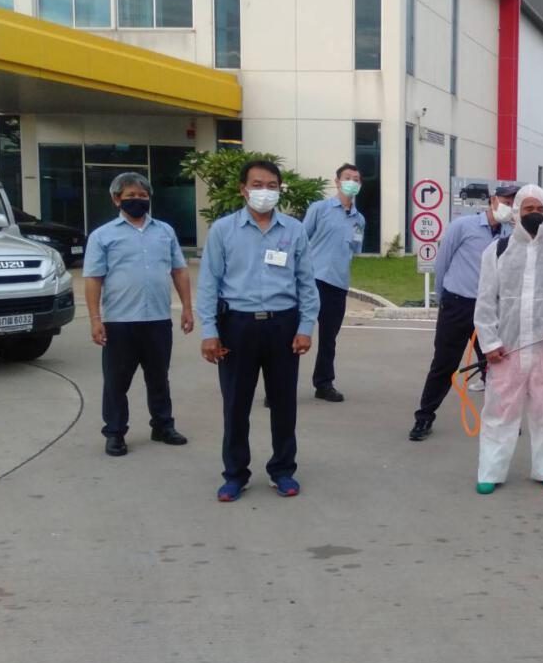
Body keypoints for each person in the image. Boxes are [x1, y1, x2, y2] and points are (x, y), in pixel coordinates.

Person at [197, 159, 320, 502]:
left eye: (271, 185)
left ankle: (282, 470)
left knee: (284, 404)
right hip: (237, 326)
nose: (264, 191)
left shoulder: (294, 230)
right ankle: (235, 474)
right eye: (257, 184)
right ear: (243, 189)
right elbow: (208, 284)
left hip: (283, 325)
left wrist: (305, 327)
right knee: (236, 405)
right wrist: (209, 331)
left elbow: (306, 282)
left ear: (279, 190)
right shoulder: (223, 230)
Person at [474, 184, 543, 494]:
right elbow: (485, 301)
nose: (534, 214)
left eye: (539, 209)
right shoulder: (497, 251)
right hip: (507, 349)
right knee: (500, 411)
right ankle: (490, 471)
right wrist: (490, 343)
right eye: (528, 209)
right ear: (517, 212)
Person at [83, 172, 194, 457]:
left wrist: (187, 308)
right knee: (116, 382)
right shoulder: (103, 236)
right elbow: (93, 279)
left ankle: (163, 425)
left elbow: (179, 271)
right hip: (120, 322)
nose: (137, 200)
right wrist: (95, 320)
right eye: (130, 196)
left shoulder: (165, 231)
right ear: (116, 199)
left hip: (157, 319)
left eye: (143, 196)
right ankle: (115, 432)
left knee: (159, 378)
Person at [408, 184, 518, 441]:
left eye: (514, 203)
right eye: (506, 201)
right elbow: (442, 262)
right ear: (493, 200)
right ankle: (424, 417)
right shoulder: (463, 226)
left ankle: (504, 419)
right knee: (444, 364)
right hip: (457, 305)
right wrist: (443, 299)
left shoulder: (511, 234)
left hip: (490, 310)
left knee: (496, 365)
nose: (510, 207)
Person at [302, 163, 365, 403]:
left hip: (338, 284)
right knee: (294, 333)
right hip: (312, 279)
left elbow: (355, 249)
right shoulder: (319, 209)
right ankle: (278, 386)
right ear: (337, 181)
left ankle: (324, 384)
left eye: (356, 179)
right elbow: (301, 239)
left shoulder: (359, 219)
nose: (352, 182)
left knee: (329, 339)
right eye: (347, 177)